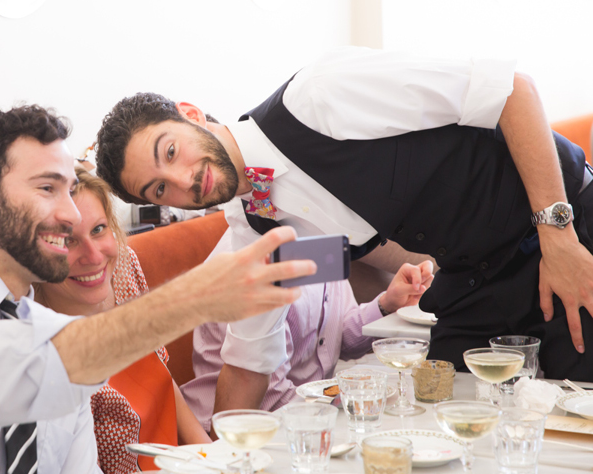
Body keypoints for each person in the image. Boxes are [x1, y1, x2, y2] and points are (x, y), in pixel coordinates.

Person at [0, 105, 313, 474]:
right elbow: (13, 373)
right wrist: (194, 299)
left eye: (70, 189)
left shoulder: (45, 330)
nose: (69, 214)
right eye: (47, 188)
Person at [94, 45, 593, 385]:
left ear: (191, 114)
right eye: (159, 189)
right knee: (436, 415)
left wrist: (560, 240)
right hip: (476, 280)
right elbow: (250, 359)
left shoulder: (318, 97)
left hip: (561, 228)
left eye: (171, 151)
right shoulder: (259, 225)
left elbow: (511, 90)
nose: (182, 181)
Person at [34, 166, 210, 472]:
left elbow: (161, 375)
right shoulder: (43, 352)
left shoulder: (124, 271)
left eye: (99, 229)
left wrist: (213, 457)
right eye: (68, 241)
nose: (94, 256)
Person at [180, 228, 433, 430]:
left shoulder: (316, 237)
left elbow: (337, 338)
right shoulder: (253, 263)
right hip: (240, 432)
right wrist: (356, 397)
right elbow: (271, 399)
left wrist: (386, 304)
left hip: (305, 415)